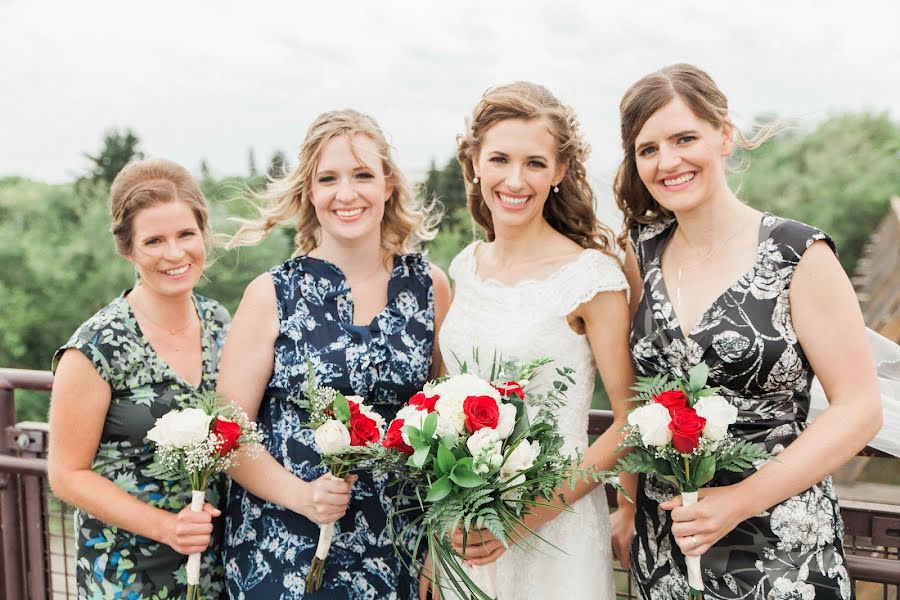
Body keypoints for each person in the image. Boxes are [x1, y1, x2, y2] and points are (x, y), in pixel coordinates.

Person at [616, 63, 883, 599]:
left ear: (724, 136)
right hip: (668, 546)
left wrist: (740, 501)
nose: (668, 161)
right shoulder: (636, 255)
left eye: (685, 138)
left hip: (782, 551)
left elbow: (860, 408)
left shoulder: (797, 254)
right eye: (648, 149)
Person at [220, 109, 452, 599]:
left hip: (399, 549)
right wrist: (302, 496)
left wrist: (439, 544)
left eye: (363, 175)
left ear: (388, 186)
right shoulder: (270, 294)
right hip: (283, 548)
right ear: (309, 191)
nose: (346, 193)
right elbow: (228, 435)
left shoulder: (430, 287)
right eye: (329, 178)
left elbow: (448, 431)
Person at [437, 81, 637, 599]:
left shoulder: (592, 279)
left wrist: (526, 516)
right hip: (467, 534)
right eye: (500, 159)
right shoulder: (466, 267)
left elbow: (630, 422)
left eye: (534, 163)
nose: (514, 180)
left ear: (560, 172)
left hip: (557, 529)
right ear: (475, 162)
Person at [48, 158, 230, 597]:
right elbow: (66, 473)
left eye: (186, 234)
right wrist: (167, 527)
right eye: (154, 241)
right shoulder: (95, 346)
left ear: (203, 233)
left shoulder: (221, 322)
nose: (174, 253)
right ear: (127, 248)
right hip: (127, 572)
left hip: (216, 565)